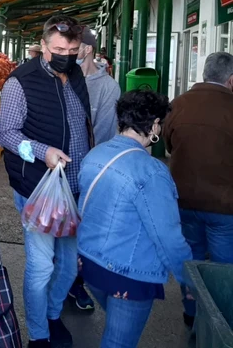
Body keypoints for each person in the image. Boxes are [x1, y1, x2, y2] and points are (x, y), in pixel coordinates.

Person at [0, 15, 93, 348]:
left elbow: (82, 124)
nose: (66, 54)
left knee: (68, 265)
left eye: (73, 49)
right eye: (59, 48)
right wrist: (42, 151)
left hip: (76, 186)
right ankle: (38, 333)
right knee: (40, 266)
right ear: (43, 46)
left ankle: (53, 315)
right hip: (39, 188)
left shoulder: (76, 74)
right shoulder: (19, 81)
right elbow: (5, 134)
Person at [78, 90, 192, 348]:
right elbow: (168, 237)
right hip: (128, 274)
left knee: (116, 333)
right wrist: (189, 280)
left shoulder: (95, 154)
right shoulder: (152, 172)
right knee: (118, 342)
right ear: (154, 125)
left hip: (90, 263)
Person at [163, 51, 233, 327]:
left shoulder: (178, 104)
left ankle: (190, 313)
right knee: (222, 265)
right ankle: (220, 319)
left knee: (190, 257)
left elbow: (167, 145)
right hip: (224, 205)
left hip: (184, 199)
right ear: (231, 80)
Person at [64, 28, 122, 311]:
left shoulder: (109, 87)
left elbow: (108, 134)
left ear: (86, 49)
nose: (68, 52)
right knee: (58, 228)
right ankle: (63, 282)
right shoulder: (62, 78)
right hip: (60, 168)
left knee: (81, 231)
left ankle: (76, 284)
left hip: (90, 173)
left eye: (72, 47)